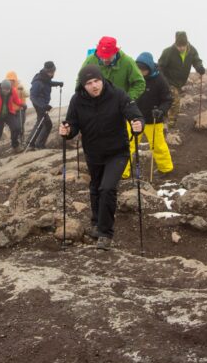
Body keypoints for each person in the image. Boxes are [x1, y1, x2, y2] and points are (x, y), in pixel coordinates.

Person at [59, 65, 144, 251]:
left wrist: (138, 124)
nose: (94, 86)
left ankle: (105, 233)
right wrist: (67, 131)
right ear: (83, 85)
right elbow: (72, 125)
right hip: (93, 153)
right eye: (89, 83)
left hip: (117, 152)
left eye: (97, 81)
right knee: (95, 188)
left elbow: (134, 114)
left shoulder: (118, 95)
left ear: (102, 80)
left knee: (107, 188)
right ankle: (97, 224)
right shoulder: (77, 100)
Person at [122, 52, 173, 179]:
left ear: (149, 68)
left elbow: (167, 99)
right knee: (128, 145)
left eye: (143, 69)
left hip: (153, 119)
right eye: (138, 68)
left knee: (158, 145)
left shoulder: (159, 80)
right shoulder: (133, 78)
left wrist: (161, 110)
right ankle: (123, 172)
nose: (141, 71)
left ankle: (165, 168)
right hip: (134, 119)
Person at [157, 31, 207, 129]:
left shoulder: (191, 50)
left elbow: (196, 60)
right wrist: (162, 80)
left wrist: (199, 67)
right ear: (175, 44)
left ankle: (165, 119)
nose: (181, 48)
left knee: (169, 100)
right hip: (168, 80)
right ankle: (170, 125)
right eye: (179, 46)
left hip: (180, 82)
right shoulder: (168, 52)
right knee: (175, 101)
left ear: (186, 43)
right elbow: (160, 66)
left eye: (183, 45)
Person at [80, 36, 145, 101]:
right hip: (96, 104)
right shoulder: (90, 60)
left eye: (108, 56)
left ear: (115, 51)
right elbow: (80, 81)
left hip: (119, 105)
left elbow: (139, 83)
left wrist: (127, 99)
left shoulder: (127, 62)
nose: (105, 60)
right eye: (102, 56)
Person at [28, 61, 63, 150]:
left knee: (40, 122)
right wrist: (43, 106)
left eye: (53, 72)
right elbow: (32, 96)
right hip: (40, 104)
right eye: (51, 72)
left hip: (42, 104)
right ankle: (39, 144)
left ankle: (31, 143)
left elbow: (49, 83)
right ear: (46, 71)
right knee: (47, 124)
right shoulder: (38, 81)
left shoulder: (45, 78)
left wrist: (58, 83)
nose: (52, 74)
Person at [0, 79, 25, 153]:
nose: (6, 91)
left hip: (8, 113)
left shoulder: (12, 91)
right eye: (4, 90)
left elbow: (16, 100)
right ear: (1, 88)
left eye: (8, 90)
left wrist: (21, 104)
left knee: (16, 127)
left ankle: (15, 145)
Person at [6, 71, 30, 143]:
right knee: (15, 127)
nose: (10, 82)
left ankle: (22, 140)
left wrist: (22, 89)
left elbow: (27, 94)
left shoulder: (20, 86)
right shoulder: (7, 88)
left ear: (15, 80)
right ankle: (15, 141)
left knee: (21, 125)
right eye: (9, 80)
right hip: (12, 111)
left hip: (21, 110)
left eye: (12, 80)